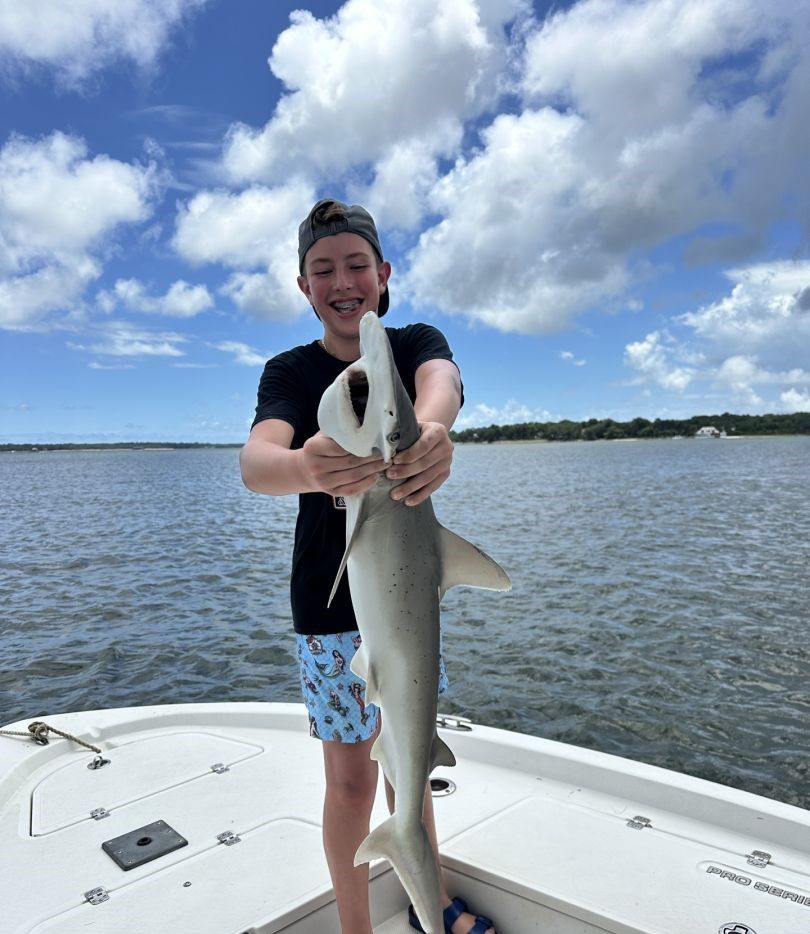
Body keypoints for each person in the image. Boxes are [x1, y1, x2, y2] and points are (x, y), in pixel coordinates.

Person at [240, 198, 496, 934]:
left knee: (409, 772)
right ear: (304, 286)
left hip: (410, 607)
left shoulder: (412, 343)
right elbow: (257, 462)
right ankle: (357, 928)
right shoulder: (290, 371)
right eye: (323, 269)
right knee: (352, 785)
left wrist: (433, 431)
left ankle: (428, 904)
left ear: (383, 274)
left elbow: (441, 382)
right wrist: (305, 468)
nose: (343, 281)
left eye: (357, 265)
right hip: (327, 613)